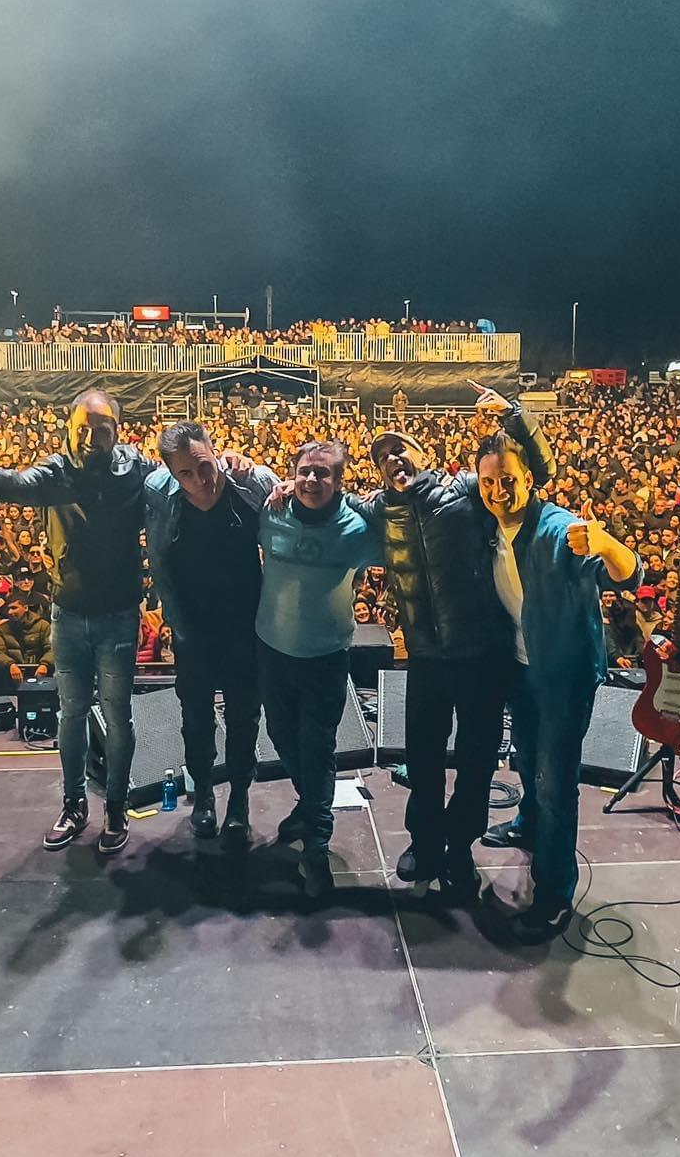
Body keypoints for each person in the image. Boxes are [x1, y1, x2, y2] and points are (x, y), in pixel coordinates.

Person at [0, 390, 158, 856]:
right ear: (68, 427)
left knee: (118, 716)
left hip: (118, 613)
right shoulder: (57, 472)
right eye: (83, 427)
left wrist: (231, 463)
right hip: (69, 613)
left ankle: (116, 807)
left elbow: (178, 479)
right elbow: (14, 482)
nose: (91, 436)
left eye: (102, 429)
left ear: (117, 431)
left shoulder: (135, 469)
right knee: (71, 713)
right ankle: (74, 805)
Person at [361, 390, 551, 899]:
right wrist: (279, 482)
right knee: (421, 758)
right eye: (382, 457)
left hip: (479, 658)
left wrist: (516, 416)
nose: (392, 460)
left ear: (423, 456)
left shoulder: (465, 490)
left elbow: (533, 473)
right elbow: (322, 500)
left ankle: (459, 849)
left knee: (476, 761)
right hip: (424, 657)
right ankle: (424, 844)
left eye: (400, 450)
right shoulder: (380, 509)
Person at [474, 429, 641, 943]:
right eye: (488, 481)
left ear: (529, 480)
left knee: (555, 781)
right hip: (521, 668)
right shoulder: (486, 526)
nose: (497, 491)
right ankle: (527, 823)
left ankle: (553, 896)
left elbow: (630, 575)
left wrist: (608, 542)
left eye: (508, 481)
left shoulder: (558, 529)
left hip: (563, 676)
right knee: (528, 759)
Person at [144, 421, 279, 847]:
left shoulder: (250, 483)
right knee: (194, 719)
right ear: (170, 473)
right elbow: (158, 558)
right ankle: (203, 793)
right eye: (185, 473)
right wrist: (174, 620)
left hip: (245, 624)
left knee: (244, 717)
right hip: (193, 627)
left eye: (204, 466)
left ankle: (239, 799)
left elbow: (289, 515)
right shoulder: (156, 491)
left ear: (216, 451)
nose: (200, 480)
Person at [257, 440, 380, 897]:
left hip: (326, 658)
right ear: (292, 473)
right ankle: (310, 806)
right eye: (304, 471)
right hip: (272, 649)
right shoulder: (272, 512)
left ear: (339, 480)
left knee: (317, 749)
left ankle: (316, 846)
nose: (312, 480)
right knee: (280, 737)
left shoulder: (357, 527)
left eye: (323, 473)